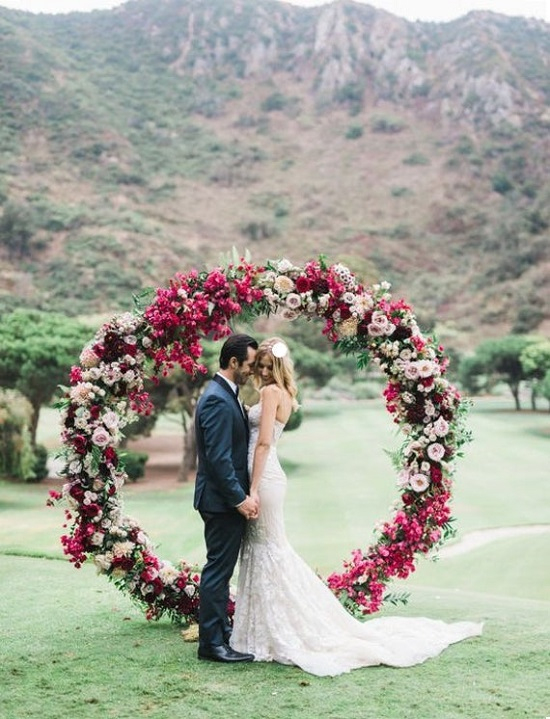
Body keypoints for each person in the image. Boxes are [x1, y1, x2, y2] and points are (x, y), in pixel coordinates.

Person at [230, 337, 483, 677]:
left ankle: (276, 629)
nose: (261, 371)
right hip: (270, 474)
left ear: (278, 368)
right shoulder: (287, 395)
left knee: (269, 549)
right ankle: (261, 628)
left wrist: (253, 488)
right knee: (265, 548)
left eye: (266, 366)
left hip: (264, 477)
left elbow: (262, 444)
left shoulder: (271, 393)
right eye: (258, 366)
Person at [194, 333, 259, 663]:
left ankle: (218, 635)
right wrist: (240, 499)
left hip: (220, 500)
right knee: (218, 572)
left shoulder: (226, 394)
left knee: (219, 570)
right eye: (249, 364)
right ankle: (212, 644)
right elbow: (218, 459)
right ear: (233, 362)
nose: (253, 370)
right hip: (221, 502)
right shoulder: (219, 399)